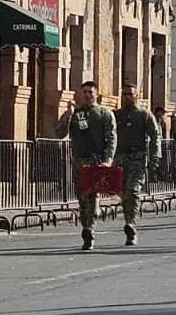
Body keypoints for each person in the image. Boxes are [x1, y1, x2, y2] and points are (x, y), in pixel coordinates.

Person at [56, 80, 116, 251]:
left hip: (97, 161)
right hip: (79, 162)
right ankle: (86, 228)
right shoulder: (76, 113)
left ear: (96, 94)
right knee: (83, 197)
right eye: (84, 92)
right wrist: (68, 114)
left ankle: (91, 227)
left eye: (90, 92)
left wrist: (108, 159)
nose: (87, 95)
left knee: (93, 197)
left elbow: (111, 138)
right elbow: (60, 133)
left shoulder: (104, 113)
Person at [114, 82, 160, 246]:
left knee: (133, 191)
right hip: (119, 160)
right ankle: (128, 217)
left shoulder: (144, 115)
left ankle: (131, 225)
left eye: (130, 94)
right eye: (124, 94)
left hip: (137, 159)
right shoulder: (116, 115)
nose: (127, 97)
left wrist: (155, 158)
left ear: (137, 96)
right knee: (123, 193)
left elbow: (155, 137)